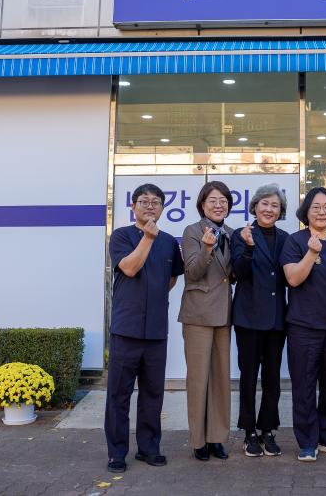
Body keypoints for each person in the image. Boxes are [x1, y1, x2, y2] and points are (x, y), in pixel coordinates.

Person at [105, 183, 184, 473]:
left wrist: (156, 294)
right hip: (126, 329)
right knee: (119, 394)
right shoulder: (121, 235)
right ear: (133, 207)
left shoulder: (169, 242)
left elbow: (172, 277)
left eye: (156, 202)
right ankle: (116, 453)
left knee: (153, 394)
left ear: (162, 208)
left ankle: (149, 448)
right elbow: (129, 268)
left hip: (156, 330)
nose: (150, 206)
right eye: (144, 201)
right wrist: (148, 239)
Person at [281, 187, 326, 462]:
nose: (322, 212)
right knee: (304, 387)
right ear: (306, 212)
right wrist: (312, 253)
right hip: (303, 327)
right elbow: (293, 279)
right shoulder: (295, 241)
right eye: (316, 207)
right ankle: (307, 442)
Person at [230, 184, 289, 458]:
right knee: (249, 377)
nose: (269, 209)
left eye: (275, 205)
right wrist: (249, 247)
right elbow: (239, 273)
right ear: (255, 206)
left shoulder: (286, 238)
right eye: (264, 203)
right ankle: (249, 431)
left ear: (280, 211)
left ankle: (268, 429)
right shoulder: (241, 235)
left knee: (273, 378)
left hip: (277, 318)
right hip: (249, 317)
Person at [179, 181, 235, 462]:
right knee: (198, 379)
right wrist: (206, 247)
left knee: (221, 379)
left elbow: (233, 275)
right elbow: (192, 272)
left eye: (223, 200)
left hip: (224, 313)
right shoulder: (192, 231)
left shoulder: (232, 233)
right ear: (202, 204)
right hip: (198, 314)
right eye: (212, 200)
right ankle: (198, 440)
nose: (218, 205)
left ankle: (217, 438)